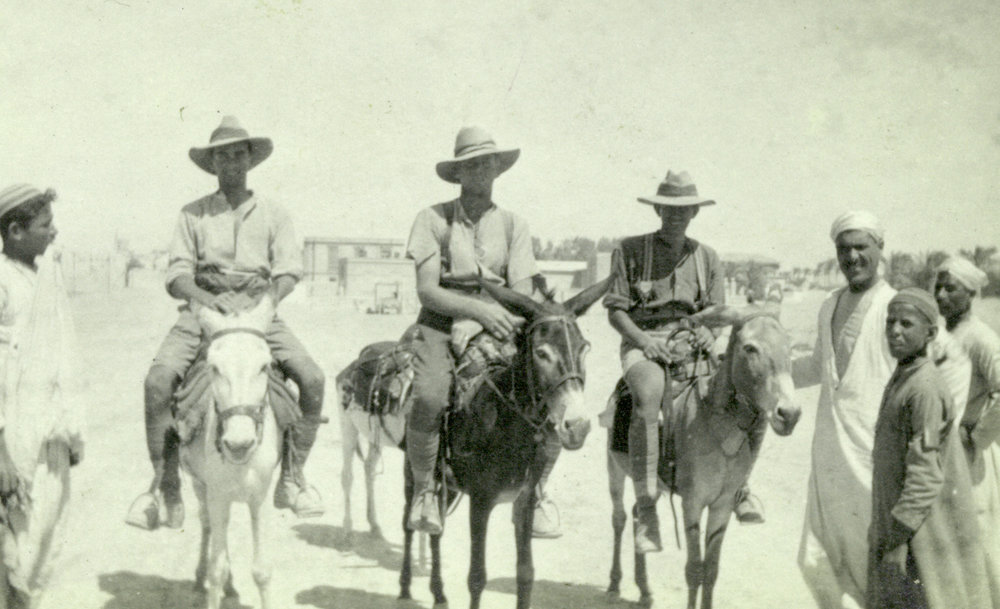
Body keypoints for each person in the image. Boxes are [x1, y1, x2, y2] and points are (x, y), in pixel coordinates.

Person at [125, 116, 326, 530]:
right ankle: (163, 490)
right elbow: (177, 275)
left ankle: (292, 477)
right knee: (158, 382)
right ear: (212, 164)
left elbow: (288, 270)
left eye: (238, 154)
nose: (231, 162)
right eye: (222, 156)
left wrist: (267, 303)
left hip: (259, 308)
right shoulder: (192, 214)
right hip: (202, 309)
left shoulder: (274, 213)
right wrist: (206, 300)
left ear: (250, 159)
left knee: (312, 378)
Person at [793, 211, 970, 608]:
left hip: (874, 465)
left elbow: (951, 366)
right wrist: (770, 373)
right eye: (844, 248)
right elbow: (818, 366)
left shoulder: (899, 309)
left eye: (861, 247)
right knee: (816, 562)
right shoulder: (828, 304)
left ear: (880, 249)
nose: (852, 257)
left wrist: (938, 434)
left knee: (876, 568)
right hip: (827, 459)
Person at [404, 126, 567, 537]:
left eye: (488, 163)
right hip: (440, 324)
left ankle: (539, 489)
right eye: (472, 164)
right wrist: (470, 310)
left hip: (501, 323)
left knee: (548, 389)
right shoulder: (432, 219)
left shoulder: (514, 225)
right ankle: (426, 490)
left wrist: (483, 319)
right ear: (458, 173)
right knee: (429, 395)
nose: (482, 170)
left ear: (498, 168)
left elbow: (523, 291)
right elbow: (427, 290)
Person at [603, 170, 762, 555]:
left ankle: (741, 488)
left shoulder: (707, 257)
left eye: (684, 209)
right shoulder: (629, 251)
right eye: (669, 209)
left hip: (695, 340)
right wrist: (643, 341)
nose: (676, 216)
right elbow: (616, 311)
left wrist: (710, 334)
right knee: (648, 395)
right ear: (658, 208)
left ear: (694, 212)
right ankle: (646, 509)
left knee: (749, 398)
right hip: (645, 342)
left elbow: (717, 313)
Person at [866, 288, 988, 609]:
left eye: (906, 324)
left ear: (931, 333)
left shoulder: (925, 389)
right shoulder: (905, 375)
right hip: (897, 524)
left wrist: (896, 540)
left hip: (917, 535)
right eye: (890, 322)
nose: (894, 330)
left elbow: (925, 475)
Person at [0, 184, 84, 608]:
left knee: (45, 545)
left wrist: (71, 432)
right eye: (45, 225)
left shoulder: (47, 278)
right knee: (13, 549)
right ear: (15, 231)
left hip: (50, 435)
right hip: (12, 440)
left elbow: (62, 360)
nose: (54, 232)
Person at [934, 256, 1000, 605]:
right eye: (938, 287)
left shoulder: (981, 337)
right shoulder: (943, 335)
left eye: (951, 288)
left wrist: (976, 435)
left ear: (971, 293)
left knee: (981, 544)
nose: (942, 295)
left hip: (972, 460)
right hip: (943, 455)